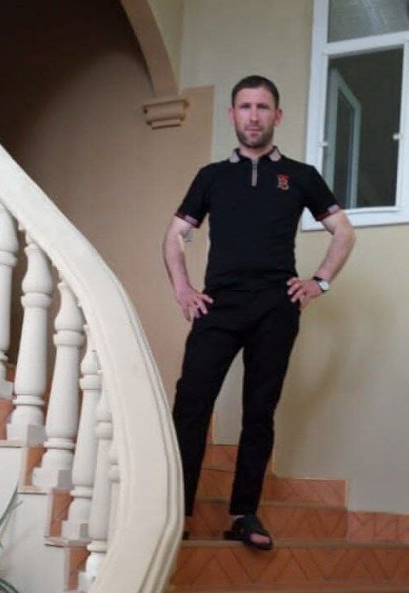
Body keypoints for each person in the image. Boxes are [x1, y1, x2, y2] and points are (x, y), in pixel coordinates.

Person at [162, 75, 355, 551]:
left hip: (275, 306)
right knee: (191, 404)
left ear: (277, 116)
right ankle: (175, 513)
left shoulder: (301, 175)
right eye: (245, 107)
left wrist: (319, 281)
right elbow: (175, 235)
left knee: (259, 410)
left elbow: (344, 231)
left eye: (262, 107)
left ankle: (243, 514)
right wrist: (183, 288)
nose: (253, 115)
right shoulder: (211, 176)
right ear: (232, 115)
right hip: (219, 304)